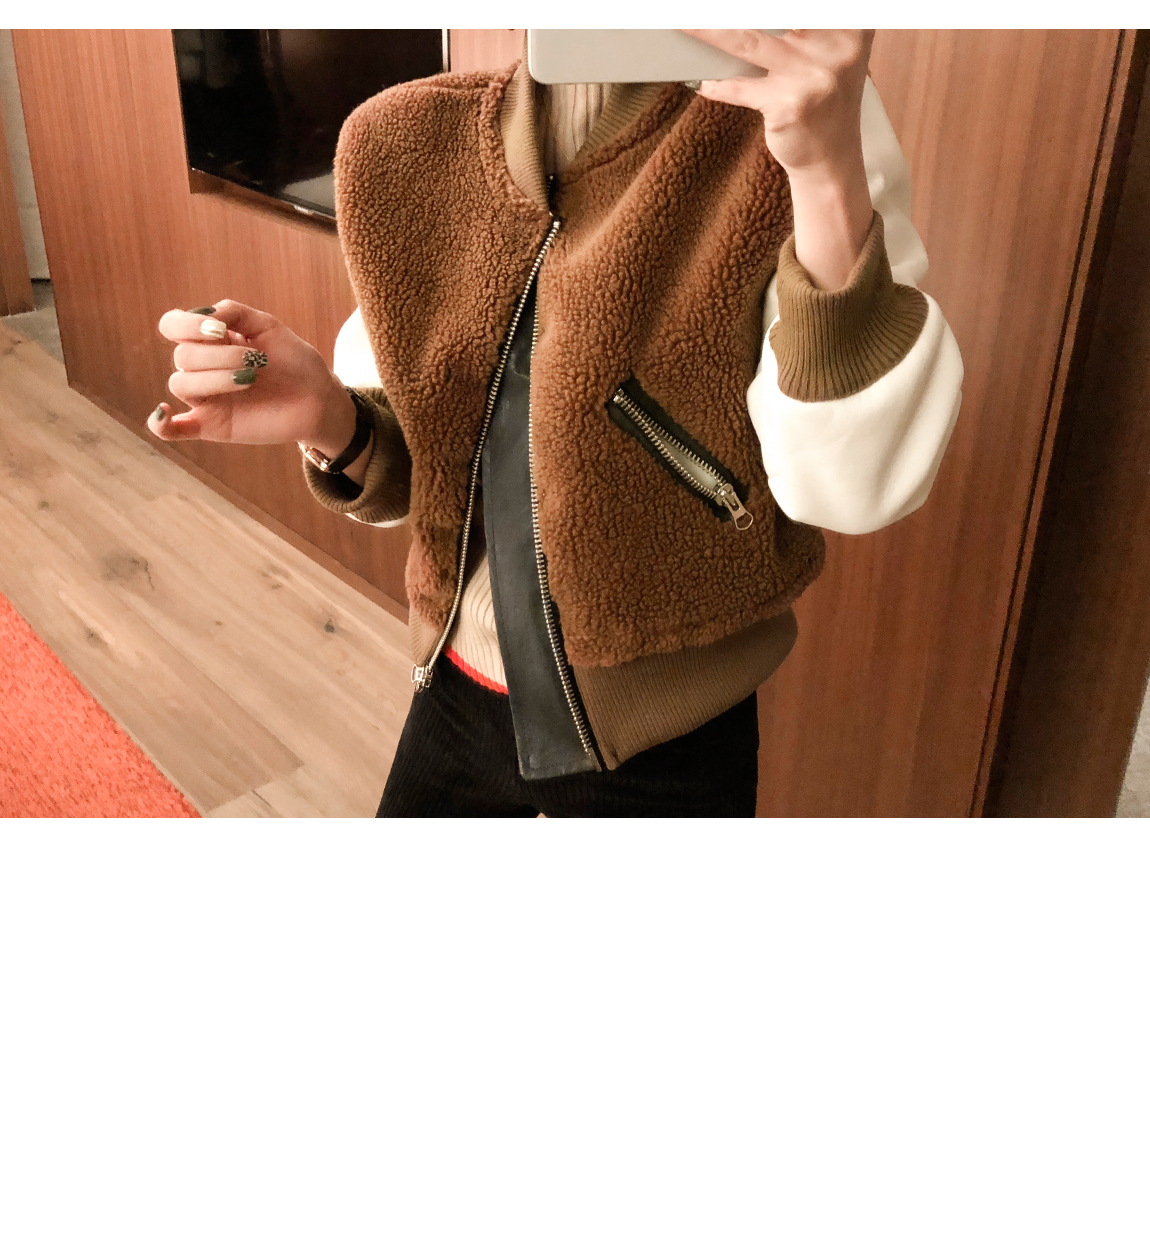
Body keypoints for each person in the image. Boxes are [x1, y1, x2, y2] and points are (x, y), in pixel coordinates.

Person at [151, 30, 963, 818]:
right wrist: (333, 418)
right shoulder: (401, 142)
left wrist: (823, 172)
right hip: (454, 686)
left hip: (668, 731)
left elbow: (850, 486)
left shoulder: (791, 134)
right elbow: (433, 467)